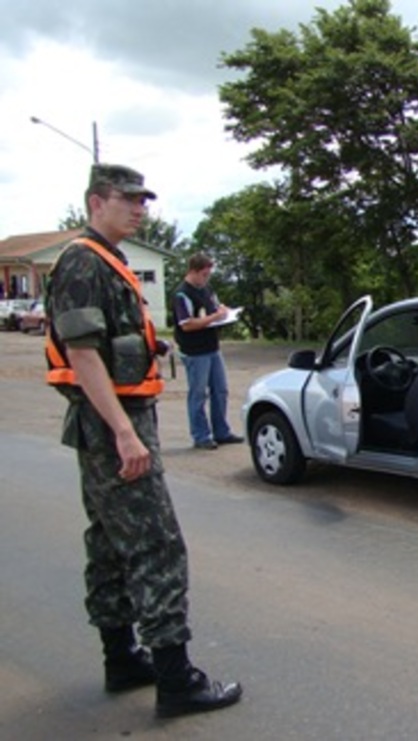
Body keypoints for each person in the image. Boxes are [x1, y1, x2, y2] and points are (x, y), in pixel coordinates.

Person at [45, 164, 242, 718]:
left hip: (110, 421)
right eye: (127, 199)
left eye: (143, 201)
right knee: (157, 544)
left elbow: (105, 343)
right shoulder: (83, 261)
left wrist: (145, 348)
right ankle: (177, 681)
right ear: (95, 201)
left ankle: (122, 660)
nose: (139, 209)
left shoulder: (104, 258)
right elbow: (82, 355)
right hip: (113, 424)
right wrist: (126, 434)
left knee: (111, 544)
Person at [172, 253, 244, 450]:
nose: (206, 278)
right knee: (198, 394)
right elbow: (186, 324)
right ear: (193, 272)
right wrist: (213, 318)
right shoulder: (182, 294)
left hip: (212, 347)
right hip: (195, 351)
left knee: (220, 390)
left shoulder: (207, 289)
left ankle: (221, 431)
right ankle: (201, 435)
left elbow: (215, 306)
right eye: (204, 274)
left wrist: (223, 312)